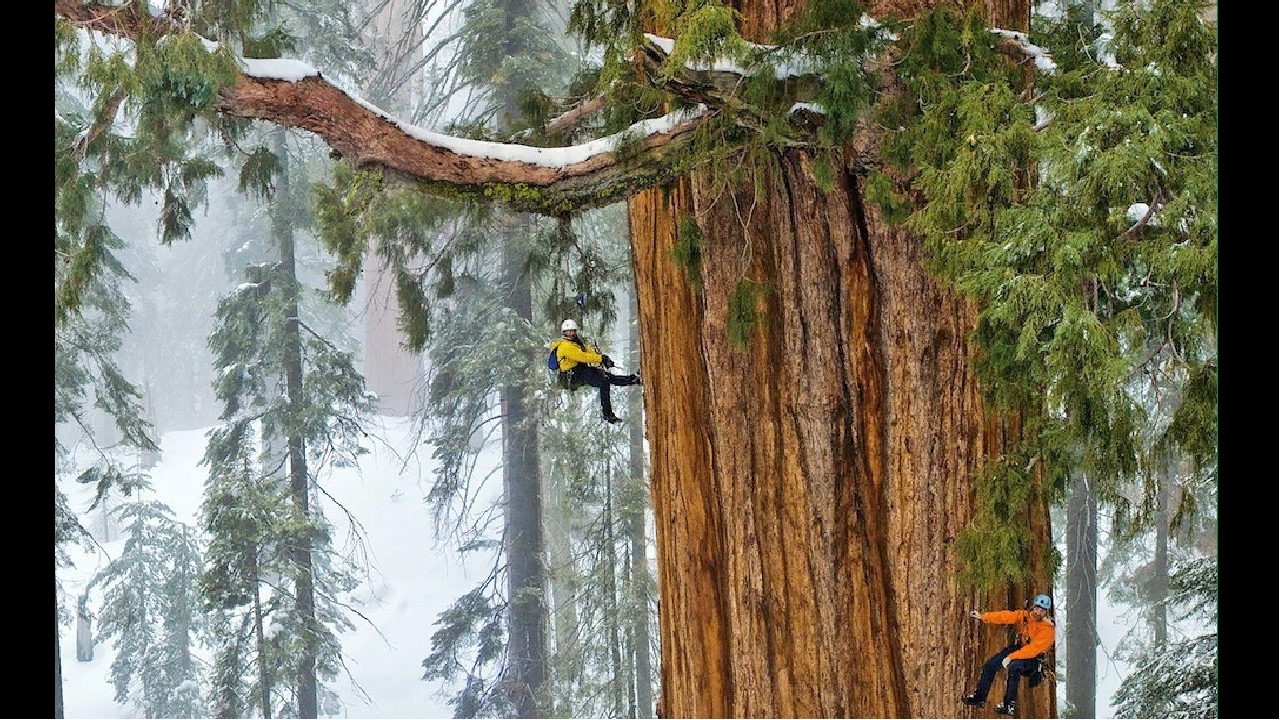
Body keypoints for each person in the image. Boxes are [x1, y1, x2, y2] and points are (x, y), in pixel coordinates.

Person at [961, 593, 1056, 717]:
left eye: (1042, 611)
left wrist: (1011, 657)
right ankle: (979, 697)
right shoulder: (1025, 616)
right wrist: (983, 616)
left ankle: (1009, 704)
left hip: (1034, 659)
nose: (1038, 612)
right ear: (1034, 607)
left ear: (1046, 612)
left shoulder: (1047, 630)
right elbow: (1006, 616)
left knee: (1014, 666)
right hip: (1020, 649)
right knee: (991, 665)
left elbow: (1033, 650)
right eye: (1037, 608)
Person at [551, 319, 641, 424]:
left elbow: (586, 350)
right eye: (569, 331)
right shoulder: (565, 346)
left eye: (573, 331)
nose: (571, 333)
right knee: (604, 382)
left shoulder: (574, 342)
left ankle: (633, 379)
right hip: (574, 375)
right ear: (564, 332)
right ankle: (607, 414)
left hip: (580, 370)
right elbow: (582, 356)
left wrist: (601, 357)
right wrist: (601, 359)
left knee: (606, 376)